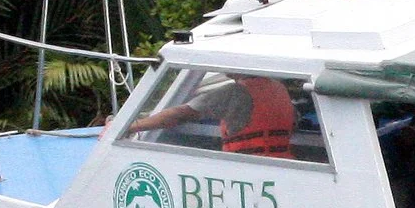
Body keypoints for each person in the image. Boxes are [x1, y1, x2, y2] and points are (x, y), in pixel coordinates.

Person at [119, 74, 294, 158]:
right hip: (282, 163)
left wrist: (130, 126)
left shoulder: (234, 92)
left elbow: (180, 115)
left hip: (246, 168)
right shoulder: (278, 88)